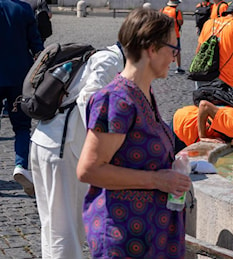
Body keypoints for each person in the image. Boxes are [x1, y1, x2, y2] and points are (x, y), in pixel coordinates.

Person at [76, 8, 192, 258]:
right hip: (125, 238)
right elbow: (89, 170)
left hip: (147, 234)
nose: (174, 58)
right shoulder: (116, 99)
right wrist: (158, 180)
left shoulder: (143, 93)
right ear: (151, 48)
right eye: (173, 49)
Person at [29, 42, 125, 258]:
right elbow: (88, 100)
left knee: (53, 227)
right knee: (67, 229)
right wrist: (103, 145)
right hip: (63, 148)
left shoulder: (104, 56)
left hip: (47, 141)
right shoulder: (110, 60)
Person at [0, 0, 44, 197]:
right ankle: (20, 165)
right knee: (21, 127)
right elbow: (37, 47)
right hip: (19, 77)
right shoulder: (24, 9)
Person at [161, 0, 185, 74]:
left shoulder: (163, 10)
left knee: (164, 50)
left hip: (165, 33)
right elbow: (180, 22)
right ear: (176, 4)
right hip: (175, 34)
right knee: (177, 51)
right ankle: (178, 67)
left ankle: (162, 66)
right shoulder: (177, 12)